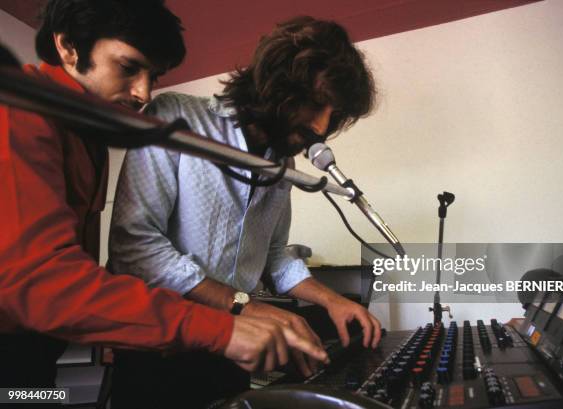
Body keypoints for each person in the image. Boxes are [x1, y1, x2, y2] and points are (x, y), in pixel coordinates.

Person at [0, 0, 328, 399]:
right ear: (68, 47)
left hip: (33, 359)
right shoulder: (18, 114)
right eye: (128, 68)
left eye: (152, 76)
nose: (143, 93)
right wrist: (224, 326)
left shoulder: (88, 135)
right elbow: (46, 283)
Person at [109, 16, 381, 408]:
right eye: (316, 104)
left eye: (332, 115)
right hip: (158, 346)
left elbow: (273, 255)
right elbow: (134, 246)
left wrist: (331, 300)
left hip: (232, 347)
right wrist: (246, 304)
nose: (321, 126)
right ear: (277, 85)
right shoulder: (175, 118)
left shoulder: (283, 166)